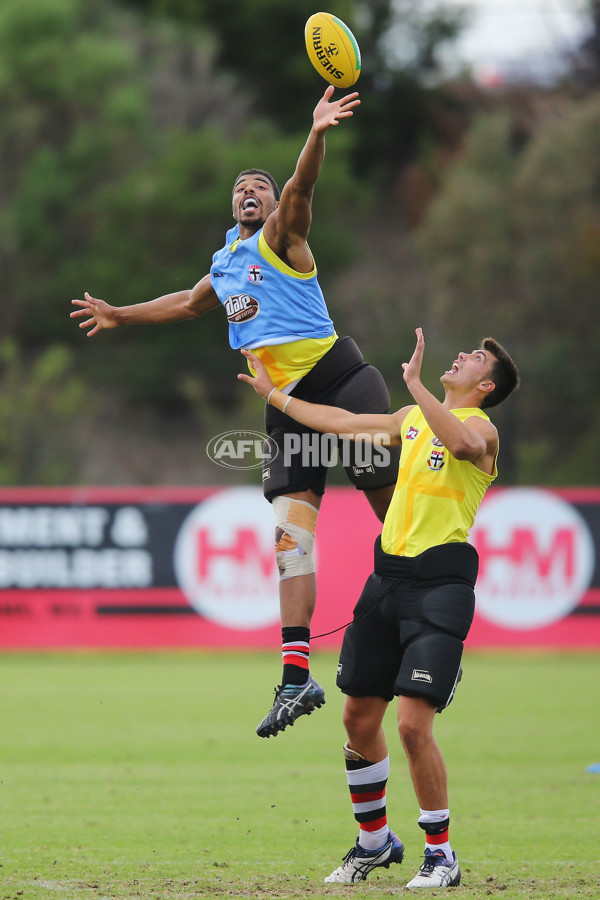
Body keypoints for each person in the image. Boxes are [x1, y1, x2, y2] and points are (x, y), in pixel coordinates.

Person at [70, 85, 400, 739]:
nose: (250, 191)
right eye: (241, 187)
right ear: (232, 204)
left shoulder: (283, 239)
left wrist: (316, 134)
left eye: (261, 186)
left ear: (275, 205)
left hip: (339, 381)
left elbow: (304, 188)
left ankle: (431, 609)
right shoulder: (224, 264)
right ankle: (295, 677)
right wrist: (120, 314)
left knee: (392, 514)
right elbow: (187, 304)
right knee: (288, 544)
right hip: (284, 409)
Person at [238, 326, 519, 888]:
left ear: (485, 384)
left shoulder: (481, 429)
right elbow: (340, 423)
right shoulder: (410, 421)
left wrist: (416, 386)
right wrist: (275, 397)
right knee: (357, 718)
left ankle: (441, 854)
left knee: (414, 726)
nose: (461, 355)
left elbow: (461, 447)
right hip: (385, 583)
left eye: (475, 358)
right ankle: (374, 843)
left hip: (440, 587)